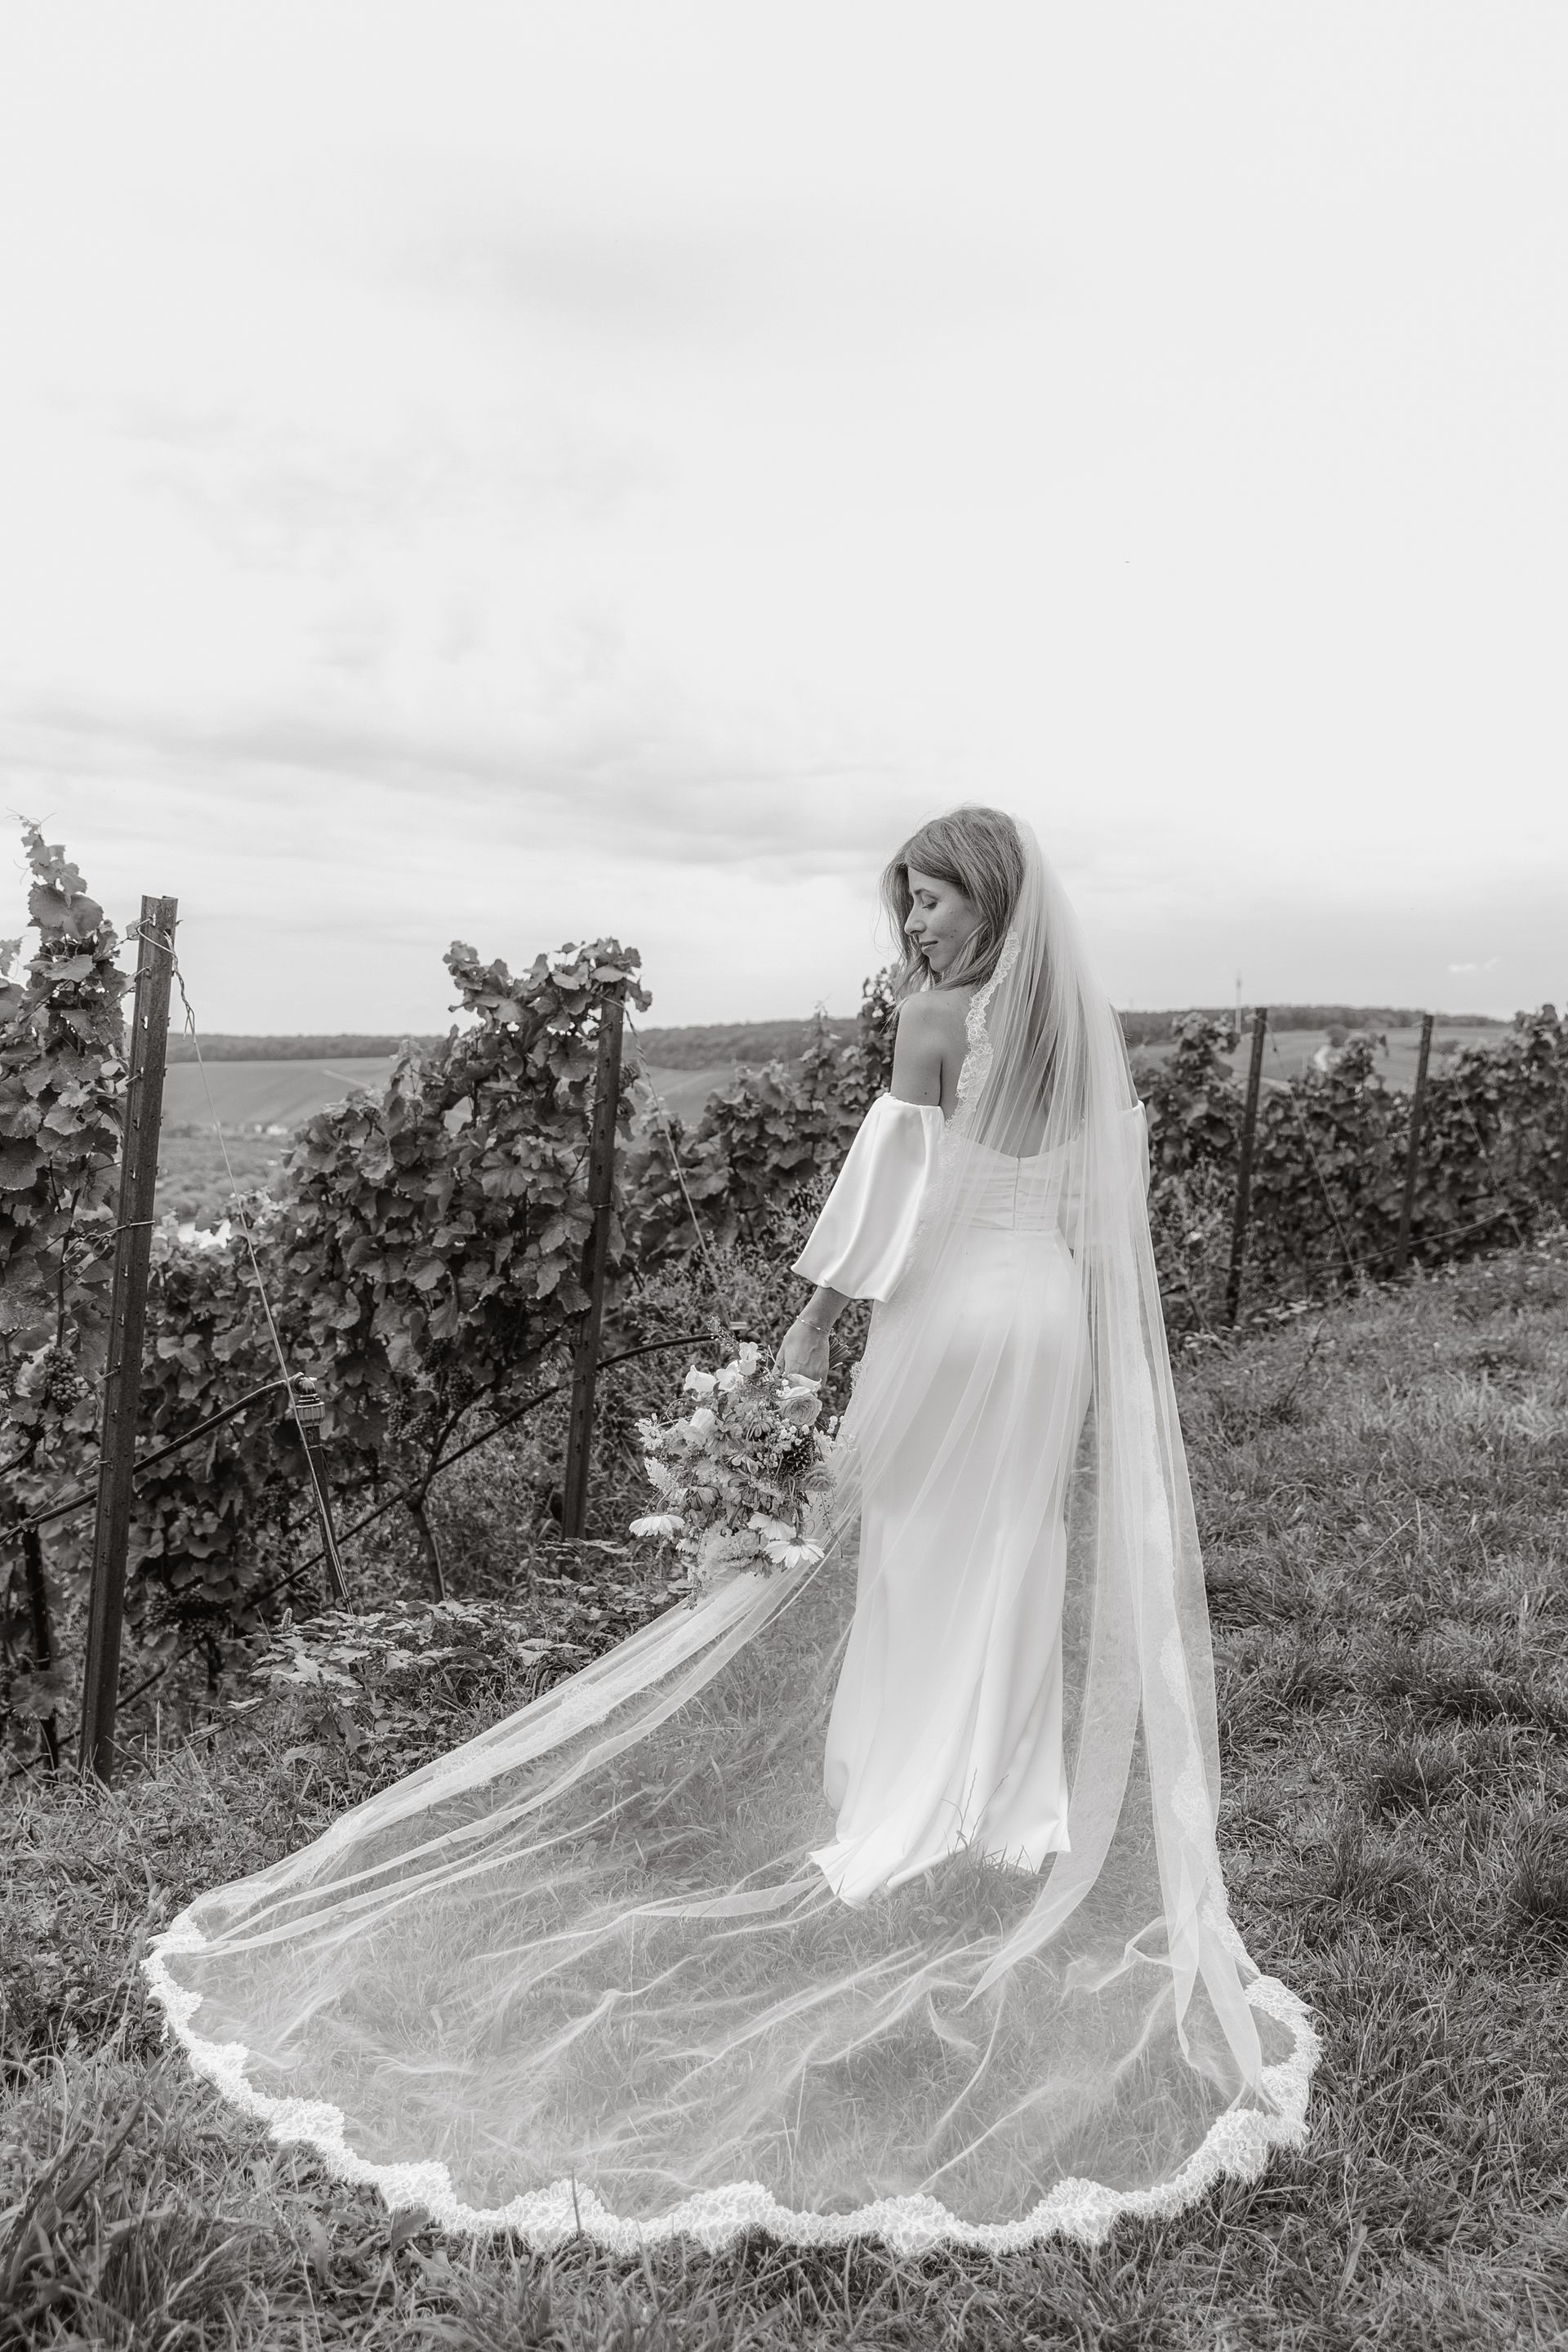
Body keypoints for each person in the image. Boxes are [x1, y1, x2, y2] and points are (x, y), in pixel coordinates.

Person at [147, 807, 1317, 2254]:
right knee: (1011, 1552)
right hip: (1049, 1323)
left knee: (913, 1555)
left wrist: (813, 1330)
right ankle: (1007, 1802)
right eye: (907, 902)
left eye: (933, 899)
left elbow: (890, 1202)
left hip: (956, 1316)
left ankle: (903, 1805)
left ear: (989, 898)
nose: (914, 926)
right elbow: (1093, 1203)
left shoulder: (937, 1022)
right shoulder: (1081, 1029)